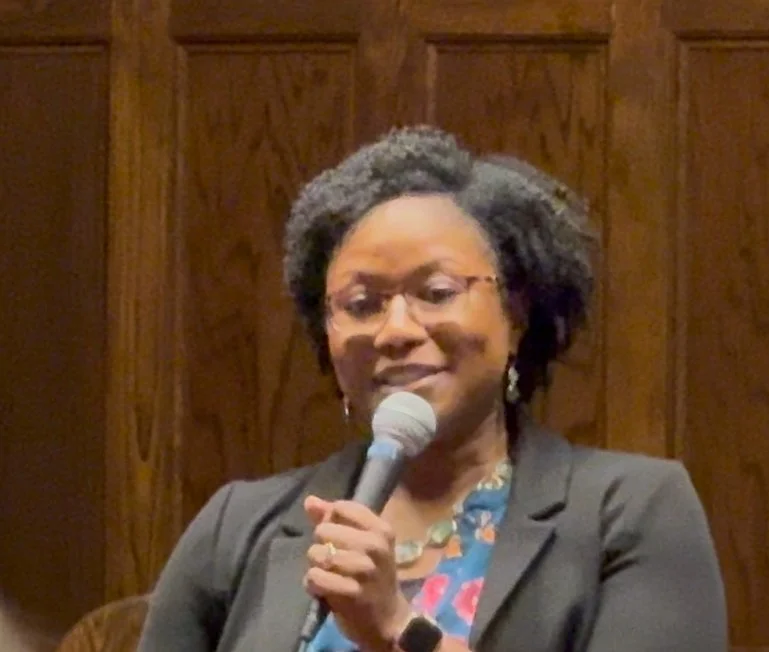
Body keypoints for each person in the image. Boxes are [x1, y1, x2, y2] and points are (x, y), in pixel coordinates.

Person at [138, 125, 727, 651]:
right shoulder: (238, 528)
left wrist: (397, 627)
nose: (396, 331)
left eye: (437, 293)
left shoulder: (632, 512)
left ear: (516, 314)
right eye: (362, 305)